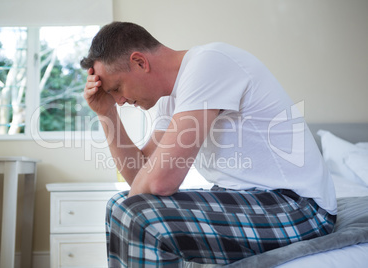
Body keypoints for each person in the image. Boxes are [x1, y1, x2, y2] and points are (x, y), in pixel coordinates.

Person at [81, 21, 337, 267]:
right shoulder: (172, 98)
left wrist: (132, 211)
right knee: (118, 205)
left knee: (137, 214)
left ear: (139, 62)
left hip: (299, 207)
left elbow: (159, 182)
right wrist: (106, 114)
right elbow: (140, 175)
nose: (119, 100)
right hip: (251, 199)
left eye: (115, 89)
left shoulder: (209, 62)